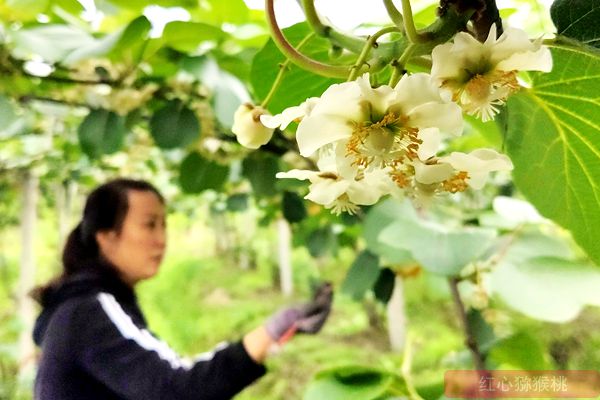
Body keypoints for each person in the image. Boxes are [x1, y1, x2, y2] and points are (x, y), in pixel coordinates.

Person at [31, 178, 333, 400]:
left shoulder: (81, 305)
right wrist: (268, 333)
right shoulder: (91, 309)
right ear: (106, 236)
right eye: (149, 225)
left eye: (164, 225)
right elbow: (177, 387)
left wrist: (273, 335)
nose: (162, 239)